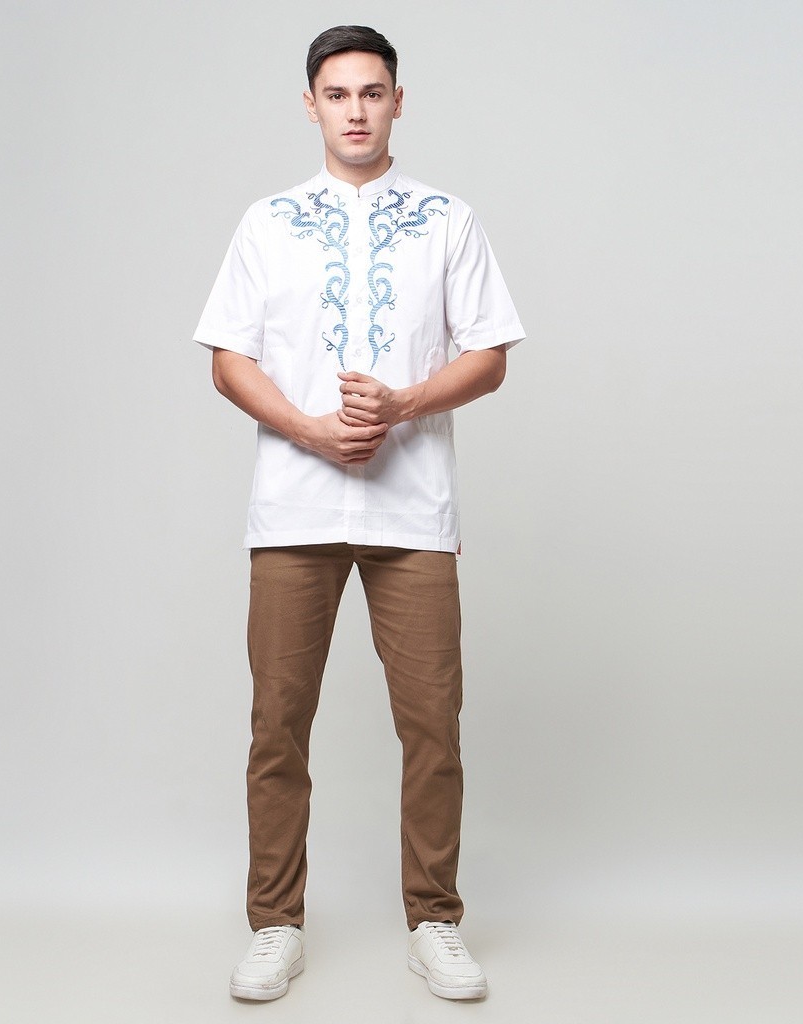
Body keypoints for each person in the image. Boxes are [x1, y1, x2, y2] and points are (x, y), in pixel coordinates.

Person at [193, 25, 525, 1002]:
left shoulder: (447, 220)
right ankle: (274, 923)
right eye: (336, 94)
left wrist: (404, 404)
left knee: (432, 726)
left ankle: (435, 919)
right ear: (311, 106)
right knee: (277, 724)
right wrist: (307, 427)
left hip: (412, 511)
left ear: (397, 102)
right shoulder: (267, 222)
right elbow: (227, 358)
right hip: (292, 509)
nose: (354, 110)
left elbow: (490, 355)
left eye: (371, 92)